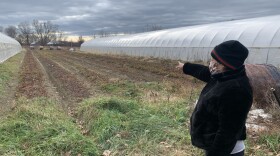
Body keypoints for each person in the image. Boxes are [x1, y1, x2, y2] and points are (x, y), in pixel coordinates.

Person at [176, 40, 253, 156]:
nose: (211, 63)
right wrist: (186, 67)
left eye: (215, 61)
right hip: (214, 144)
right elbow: (205, 72)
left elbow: (228, 132)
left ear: (226, 63)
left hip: (226, 151)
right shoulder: (224, 76)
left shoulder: (237, 91)